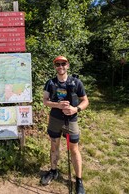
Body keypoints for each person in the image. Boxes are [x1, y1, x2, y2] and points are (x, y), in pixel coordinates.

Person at [40, 56, 89, 194]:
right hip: (55, 119)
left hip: (71, 120)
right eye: (57, 64)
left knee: (74, 149)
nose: (60, 66)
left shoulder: (76, 82)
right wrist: (58, 105)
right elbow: (45, 100)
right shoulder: (50, 83)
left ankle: (79, 180)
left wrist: (76, 109)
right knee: (54, 145)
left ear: (67, 65)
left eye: (63, 64)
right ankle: (53, 171)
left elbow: (85, 101)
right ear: (55, 66)